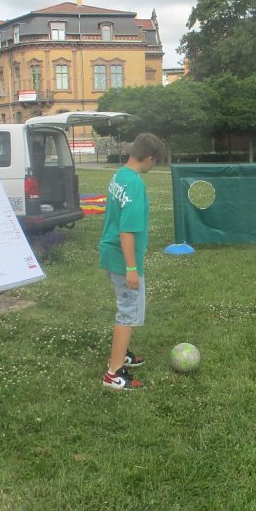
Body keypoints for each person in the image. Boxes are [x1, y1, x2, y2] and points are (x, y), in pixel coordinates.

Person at [99, 132, 165, 391]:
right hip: (122, 258)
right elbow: (127, 230)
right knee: (128, 312)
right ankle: (113, 374)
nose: (154, 165)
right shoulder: (135, 184)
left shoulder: (120, 175)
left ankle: (122, 353)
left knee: (126, 308)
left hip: (110, 252)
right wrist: (132, 268)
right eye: (156, 161)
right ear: (148, 159)